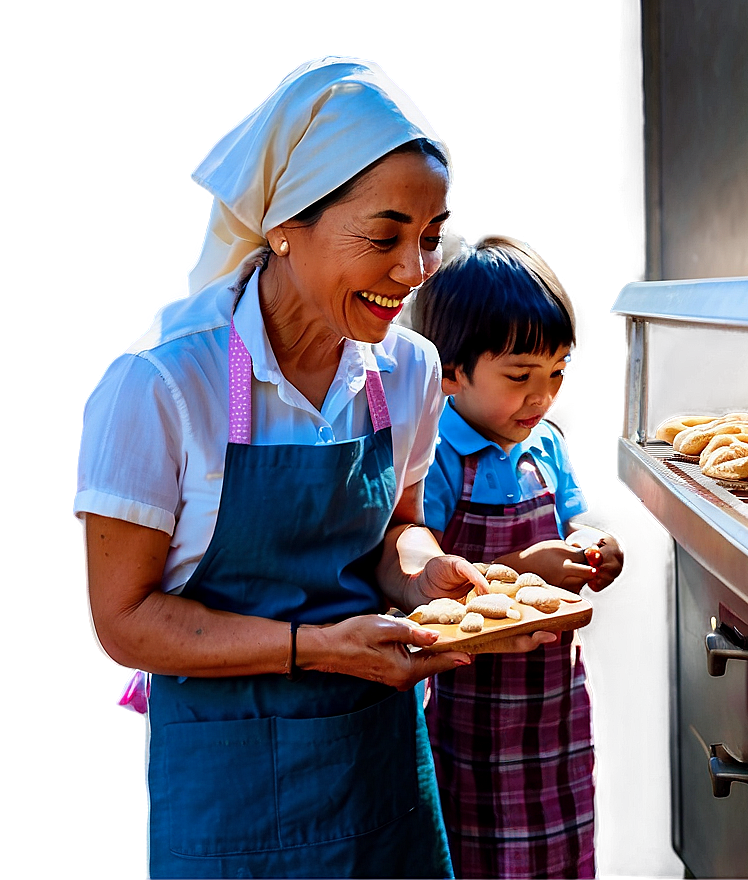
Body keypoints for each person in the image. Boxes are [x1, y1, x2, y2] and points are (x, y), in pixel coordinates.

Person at [73, 58, 553, 880]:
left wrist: (429, 572)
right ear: (286, 224)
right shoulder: (161, 387)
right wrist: (317, 647)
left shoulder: (407, 371)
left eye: (430, 238)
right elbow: (123, 621)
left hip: (380, 771)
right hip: (229, 794)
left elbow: (396, 530)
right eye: (385, 236)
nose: (415, 272)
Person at [410, 235, 625, 880]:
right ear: (452, 373)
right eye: (519, 376)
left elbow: (567, 527)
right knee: (480, 849)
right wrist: (526, 571)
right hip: (471, 697)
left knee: (558, 840)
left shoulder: (545, 445)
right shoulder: (438, 457)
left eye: (557, 372)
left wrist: (592, 550)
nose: (542, 396)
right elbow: (425, 579)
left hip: (554, 698)